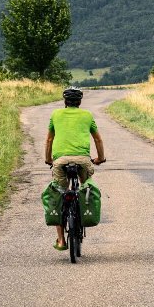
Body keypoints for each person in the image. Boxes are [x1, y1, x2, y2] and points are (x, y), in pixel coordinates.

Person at [45, 86, 106, 251]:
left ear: (65, 101)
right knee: (86, 187)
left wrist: (48, 159)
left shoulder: (56, 115)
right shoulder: (87, 115)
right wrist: (100, 158)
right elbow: (98, 139)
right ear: (80, 102)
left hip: (60, 161)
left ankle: (60, 240)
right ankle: (84, 212)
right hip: (83, 160)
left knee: (58, 194)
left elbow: (49, 140)